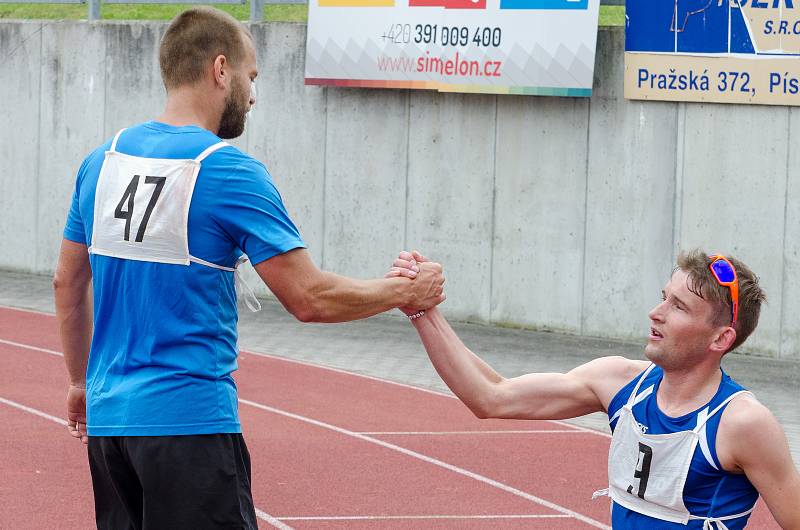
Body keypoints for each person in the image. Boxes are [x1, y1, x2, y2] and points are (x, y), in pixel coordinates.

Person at [52, 7, 445, 529]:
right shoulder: (229, 170)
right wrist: (404, 290)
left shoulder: (102, 161)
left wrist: (80, 382)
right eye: (251, 77)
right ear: (221, 70)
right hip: (189, 423)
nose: (253, 94)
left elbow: (67, 281)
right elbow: (310, 298)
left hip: (110, 430)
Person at [387, 249, 800, 529]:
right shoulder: (619, 381)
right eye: (664, 297)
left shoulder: (743, 423)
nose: (655, 313)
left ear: (720, 340)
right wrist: (422, 309)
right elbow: (490, 395)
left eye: (678, 307)